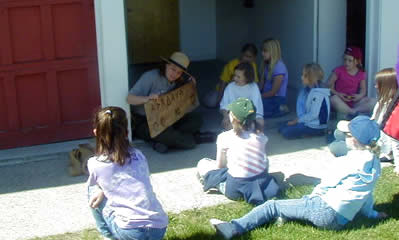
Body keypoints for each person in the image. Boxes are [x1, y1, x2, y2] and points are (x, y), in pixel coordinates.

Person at [210, 115, 388, 239]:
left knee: (272, 206)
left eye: (347, 133)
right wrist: (371, 214)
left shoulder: (347, 162)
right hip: (341, 220)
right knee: (297, 206)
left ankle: (234, 227)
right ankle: (288, 215)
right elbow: (366, 195)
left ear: (353, 140)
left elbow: (326, 185)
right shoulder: (374, 164)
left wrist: (311, 199)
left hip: (323, 211)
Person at [87, 106, 168, 240]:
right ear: (126, 132)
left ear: (96, 132)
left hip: (130, 231)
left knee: (92, 189)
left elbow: (104, 182)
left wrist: (101, 190)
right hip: (158, 226)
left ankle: (108, 236)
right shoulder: (139, 155)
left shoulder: (95, 164)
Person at [197, 98, 279, 205]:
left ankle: (215, 184)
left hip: (236, 187)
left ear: (233, 118)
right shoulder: (261, 135)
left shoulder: (224, 137)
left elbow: (220, 166)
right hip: (262, 181)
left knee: (203, 163)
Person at [127, 52, 213, 153]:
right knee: (170, 136)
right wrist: (146, 99)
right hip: (144, 121)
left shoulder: (178, 80)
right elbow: (129, 98)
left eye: (179, 72)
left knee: (196, 119)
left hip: (167, 118)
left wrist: (190, 87)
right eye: (173, 69)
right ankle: (194, 139)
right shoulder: (151, 76)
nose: (175, 74)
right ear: (166, 65)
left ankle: (162, 143)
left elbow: (184, 104)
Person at [329, 68, 399, 162]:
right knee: (338, 133)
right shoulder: (383, 101)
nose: (375, 86)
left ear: (386, 86)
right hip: (372, 139)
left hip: (378, 148)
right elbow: (373, 124)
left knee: (334, 146)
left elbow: (383, 136)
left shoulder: (392, 109)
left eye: (378, 83)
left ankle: (351, 142)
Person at [279, 63, 330, 139]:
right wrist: (298, 121)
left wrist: (297, 121)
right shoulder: (306, 90)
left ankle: (318, 133)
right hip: (308, 122)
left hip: (316, 126)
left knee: (286, 132)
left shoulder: (319, 94)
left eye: (305, 76)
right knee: (281, 126)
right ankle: (304, 132)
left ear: (312, 78)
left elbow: (313, 114)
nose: (302, 77)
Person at [202, 43, 259, 108]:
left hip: (243, 92)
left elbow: (255, 83)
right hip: (227, 90)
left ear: (254, 58)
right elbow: (223, 82)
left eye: (250, 57)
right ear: (241, 54)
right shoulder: (231, 64)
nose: (247, 59)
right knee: (212, 102)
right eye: (245, 56)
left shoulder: (253, 66)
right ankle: (209, 94)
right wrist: (219, 99)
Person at [329, 46, 375, 118]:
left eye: (350, 60)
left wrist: (359, 96)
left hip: (353, 101)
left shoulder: (360, 73)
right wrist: (338, 94)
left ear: (356, 61)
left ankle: (351, 112)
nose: (346, 62)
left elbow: (363, 90)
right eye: (345, 60)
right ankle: (352, 112)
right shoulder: (338, 70)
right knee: (333, 99)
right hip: (340, 100)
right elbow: (328, 86)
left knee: (373, 101)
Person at [219, 62, 264, 130]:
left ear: (247, 78)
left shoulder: (254, 87)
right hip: (234, 117)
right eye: (234, 75)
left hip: (251, 117)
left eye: (238, 77)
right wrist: (226, 117)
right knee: (228, 125)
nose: (235, 78)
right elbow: (224, 106)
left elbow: (256, 108)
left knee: (260, 122)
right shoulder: (230, 87)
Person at [259, 38, 290, 118]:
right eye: (262, 51)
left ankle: (281, 108)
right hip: (266, 97)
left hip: (276, 99)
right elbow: (261, 85)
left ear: (273, 52)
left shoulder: (279, 67)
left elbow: (273, 92)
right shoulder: (266, 65)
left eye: (265, 51)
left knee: (256, 110)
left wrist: (258, 97)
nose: (262, 53)